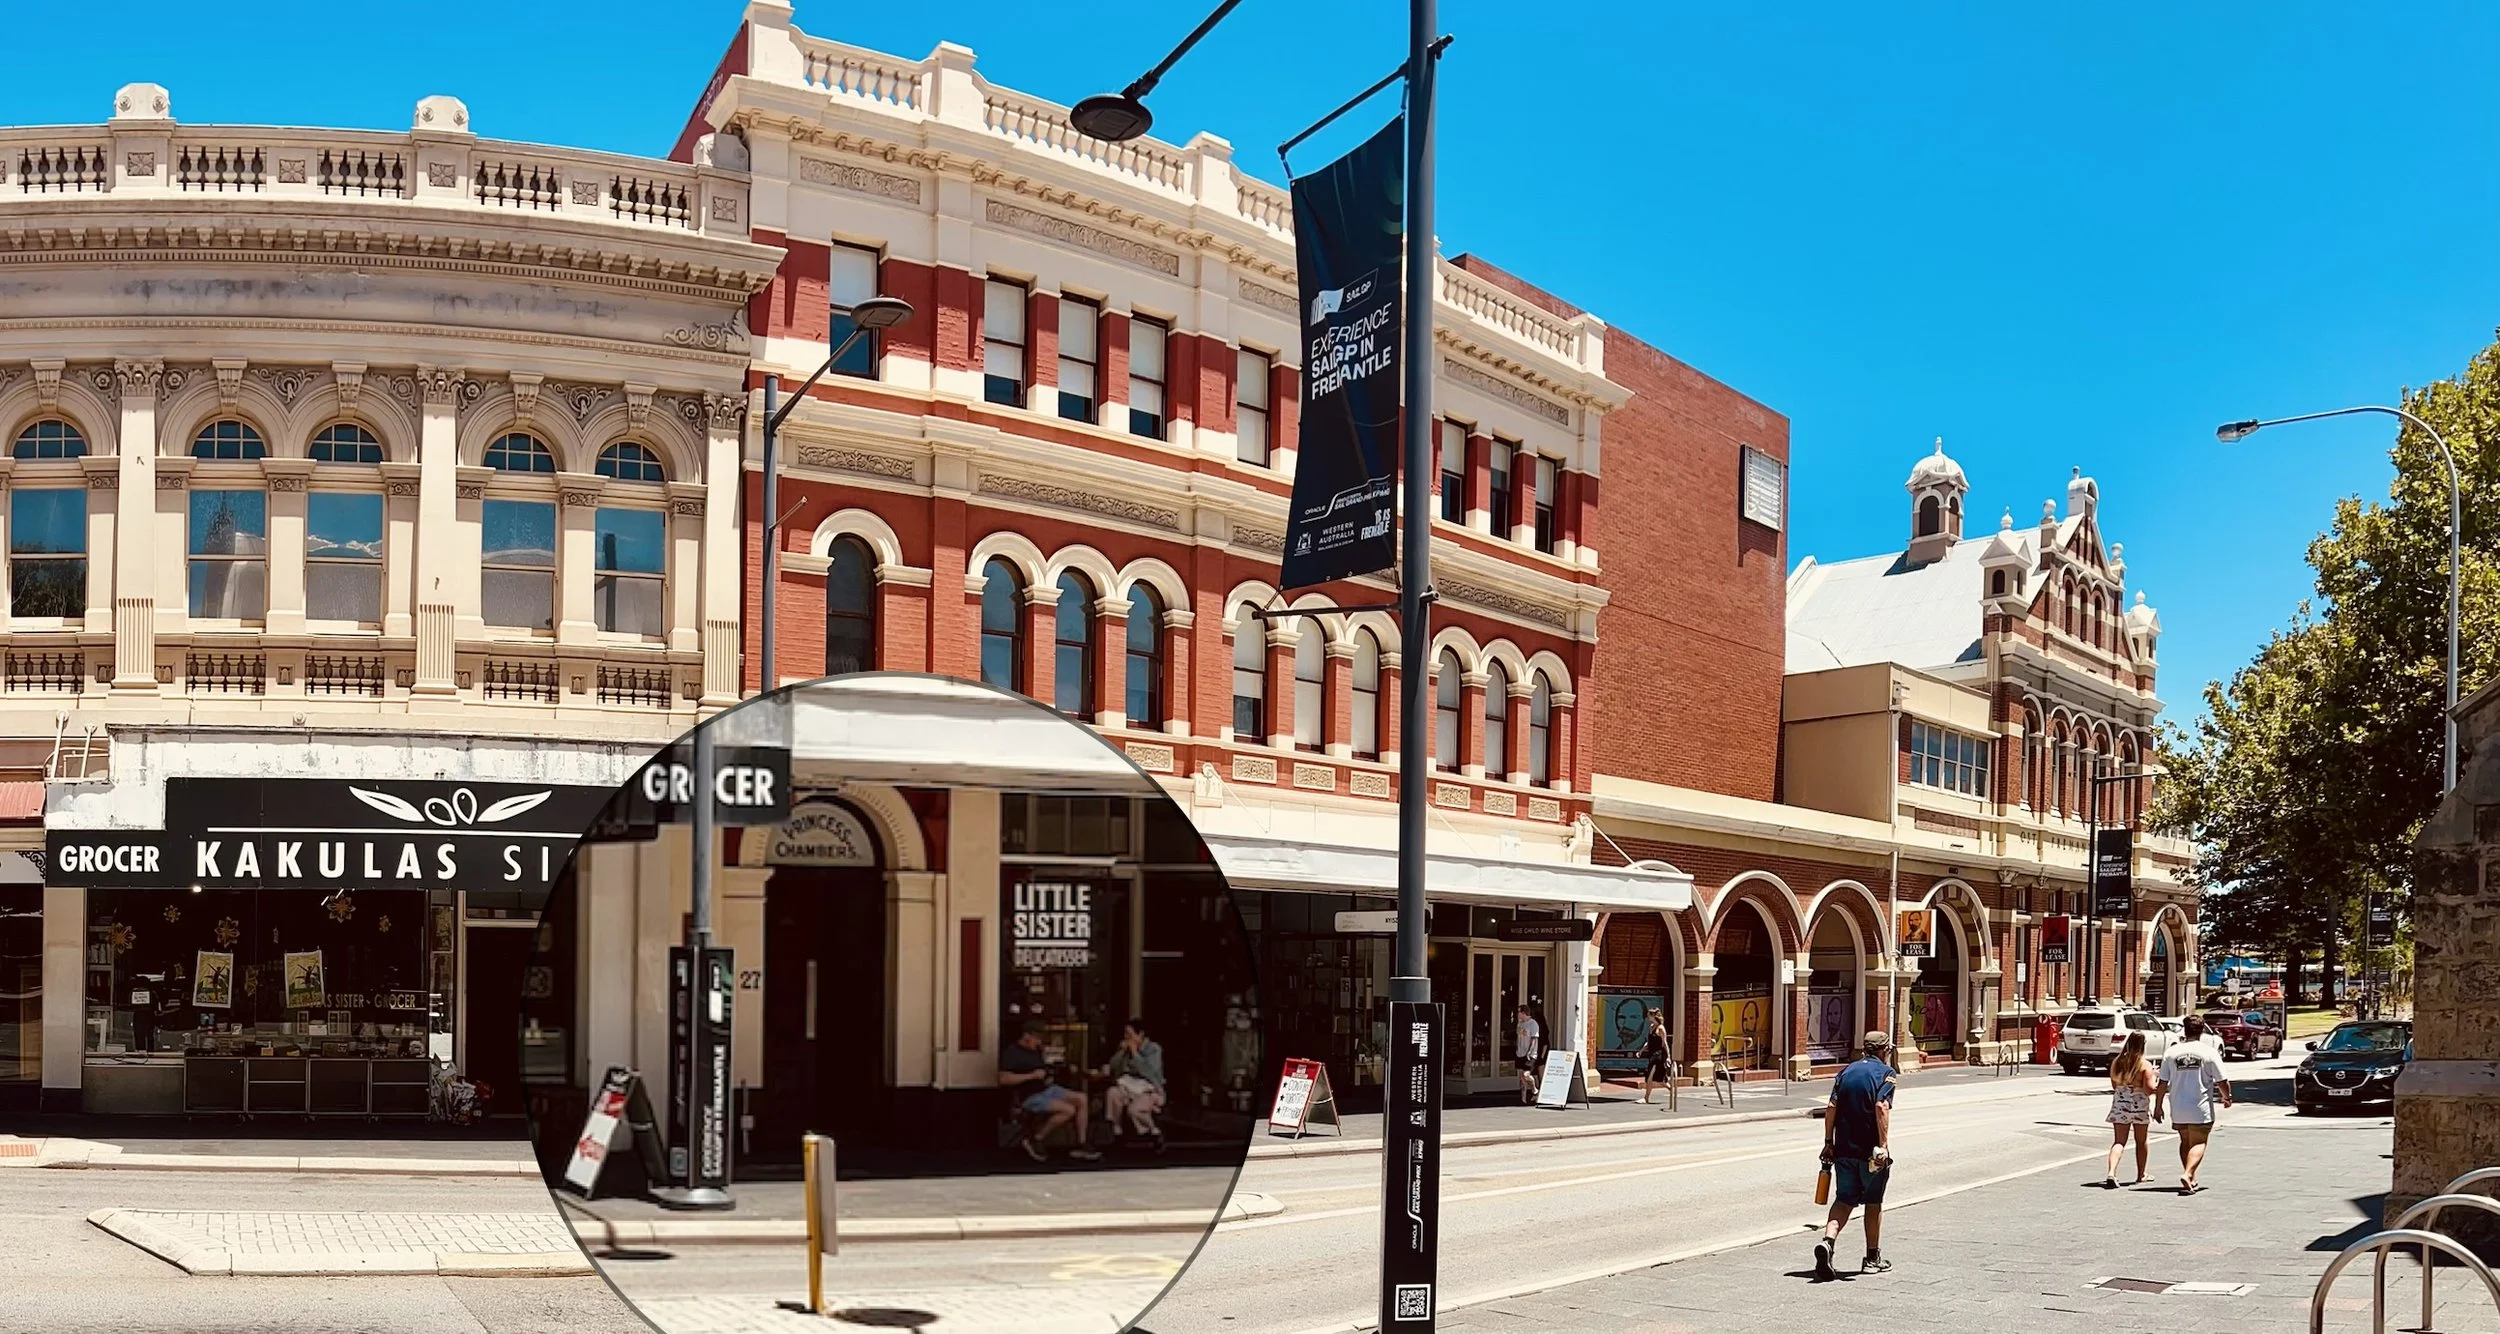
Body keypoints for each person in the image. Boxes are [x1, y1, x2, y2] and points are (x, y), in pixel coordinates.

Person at [1814, 1031, 1897, 1280]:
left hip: (1844, 1149)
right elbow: (1881, 1106)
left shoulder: (1846, 1072)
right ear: (1884, 1050)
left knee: (1844, 1199)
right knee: (1873, 1201)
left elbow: (1831, 1107)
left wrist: (1828, 1142)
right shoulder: (1886, 1073)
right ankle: (1872, 1258)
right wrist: (1883, 1145)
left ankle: (1828, 1242)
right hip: (1870, 1153)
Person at [998, 1022, 1100, 1163]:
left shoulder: (1037, 1050)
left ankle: (1082, 1143)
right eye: (1037, 1038)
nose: (1039, 1042)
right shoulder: (1012, 1053)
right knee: (1068, 1110)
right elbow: (1003, 1079)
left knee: (1082, 1098)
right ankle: (1036, 1138)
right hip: (1028, 1096)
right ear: (1027, 1036)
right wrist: (1031, 1076)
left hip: (1046, 1089)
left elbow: (1045, 1068)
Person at [2153, 1013, 2231, 1194]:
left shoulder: (2171, 1052)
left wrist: (2158, 1106)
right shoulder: (2209, 1052)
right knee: (2199, 1141)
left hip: (2178, 1106)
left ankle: (2191, 1177)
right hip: (2199, 1106)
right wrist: (2227, 1097)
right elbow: (2222, 1080)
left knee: (2185, 1141)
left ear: (2184, 1030)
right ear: (2202, 1030)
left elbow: (2162, 1083)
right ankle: (2188, 1173)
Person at [1097, 1017, 1167, 1152]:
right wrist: (1121, 1052)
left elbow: (1149, 1072)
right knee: (1113, 1093)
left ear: (1140, 1034)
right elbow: (1114, 1067)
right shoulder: (1126, 1050)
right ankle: (1116, 1129)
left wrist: (1135, 1053)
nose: (1126, 1037)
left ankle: (1154, 1130)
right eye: (1125, 1034)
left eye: (1129, 1034)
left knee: (1133, 1110)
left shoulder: (1153, 1049)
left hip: (1148, 1088)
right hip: (1128, 1086)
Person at [2102, 1031, 2154, 1187]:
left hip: (2120, 1104)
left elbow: (2114, 1085)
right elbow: (2149, 1089)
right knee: (2141, 1140)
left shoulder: (2117, 1062)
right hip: (2139, 1106)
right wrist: (2155, 1076)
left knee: (2119, 1141)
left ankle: (2111, 1172)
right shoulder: (2144, 1064)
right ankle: (2141, 1174)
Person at [1638, 1009, 1674, 1105]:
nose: (1648, 1017)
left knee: (1650, 1076)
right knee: (1660, 1080)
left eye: (1649, 1015)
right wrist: (1641, 1051)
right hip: (1651, 1054)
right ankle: (1672, 1090)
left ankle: (1646, 1098)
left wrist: (1668, 1056)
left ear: (1654, 1016)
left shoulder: (1661, 1028)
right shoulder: (1651, 1027)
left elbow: (1665, 1043)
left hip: (1658, 1055)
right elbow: (1649, 1042)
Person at [1515, 1004, 1546, 1104]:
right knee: (1522, 1078)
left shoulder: (1533, 1024)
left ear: (1524, 1013)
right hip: (1520, 1053)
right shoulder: (1520, 1024)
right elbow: (1519, 1037)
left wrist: (1529, 1052)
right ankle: (1523, 1099)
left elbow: (1534, 1040)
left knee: (1526, 1074)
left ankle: (1534, 1089)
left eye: (1519, 1012)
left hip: (1530, 1054)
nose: (1518, 1014)